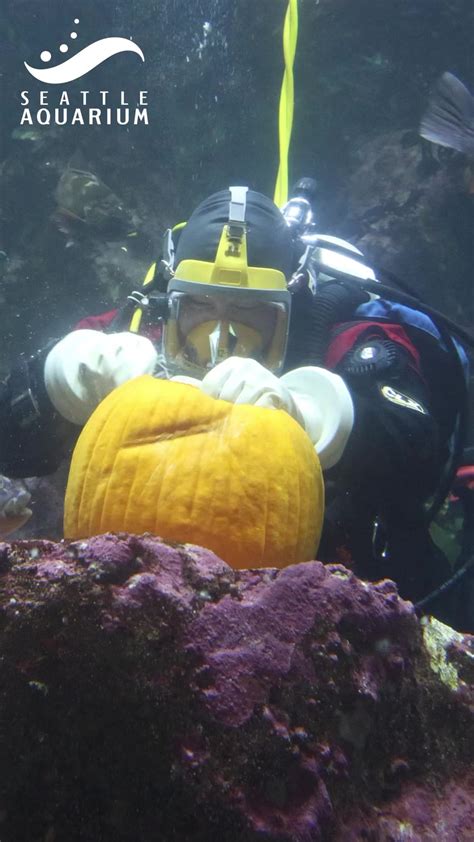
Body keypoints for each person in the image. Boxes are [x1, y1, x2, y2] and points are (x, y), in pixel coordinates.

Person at [0, 183, 470, 621]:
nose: (220, 339)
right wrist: (58, 374)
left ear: (292, 302)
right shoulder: (144, 324)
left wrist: (314, 413)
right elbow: (9, 444)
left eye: (250, 313)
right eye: (200, 308)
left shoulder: (336, 331)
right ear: (172, 299)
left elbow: (415, 443)